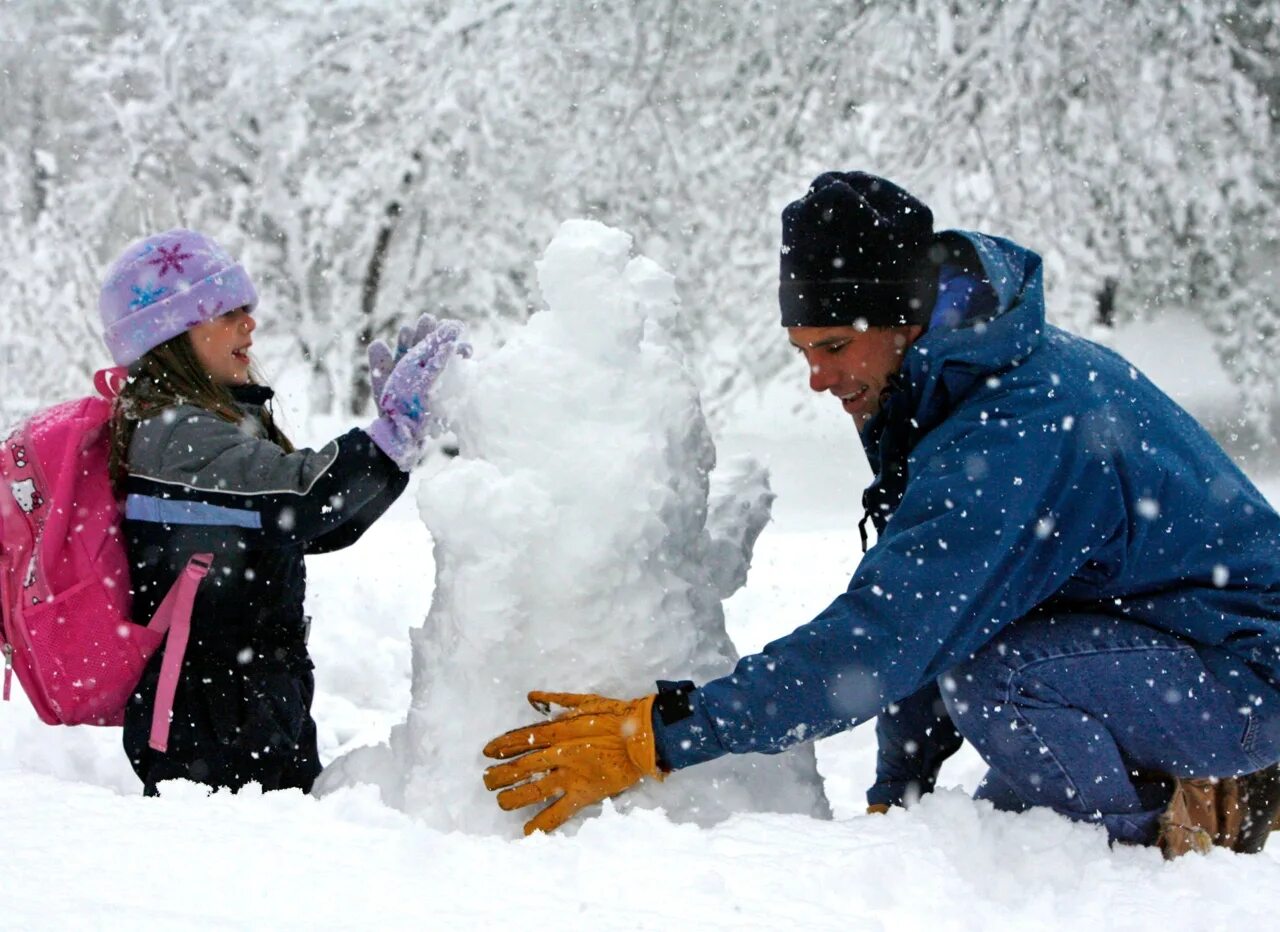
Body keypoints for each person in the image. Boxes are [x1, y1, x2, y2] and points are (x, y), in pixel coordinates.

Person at [481, 172, 1280, 855]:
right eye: (802, 352)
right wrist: (900, 790)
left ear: (900, 320)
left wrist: (661, 734)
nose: (817, 380)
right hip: (1164, 651)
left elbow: (890, 635)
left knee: (998, 681)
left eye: (833, 347)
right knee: (985, 773)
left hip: (1247, 678)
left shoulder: (1013, 433)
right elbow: (934, 609)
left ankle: (1135, 866)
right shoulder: (954, 378)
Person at [99, 229, 466, 795]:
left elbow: (313, 528)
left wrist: (397, 451)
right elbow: (301, 499)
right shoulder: (176, 435)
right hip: (208, 726)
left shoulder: (207, 425)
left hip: (249, 704)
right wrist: (383, 438)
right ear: (172, 337)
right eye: (226, 312)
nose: (249, 323)